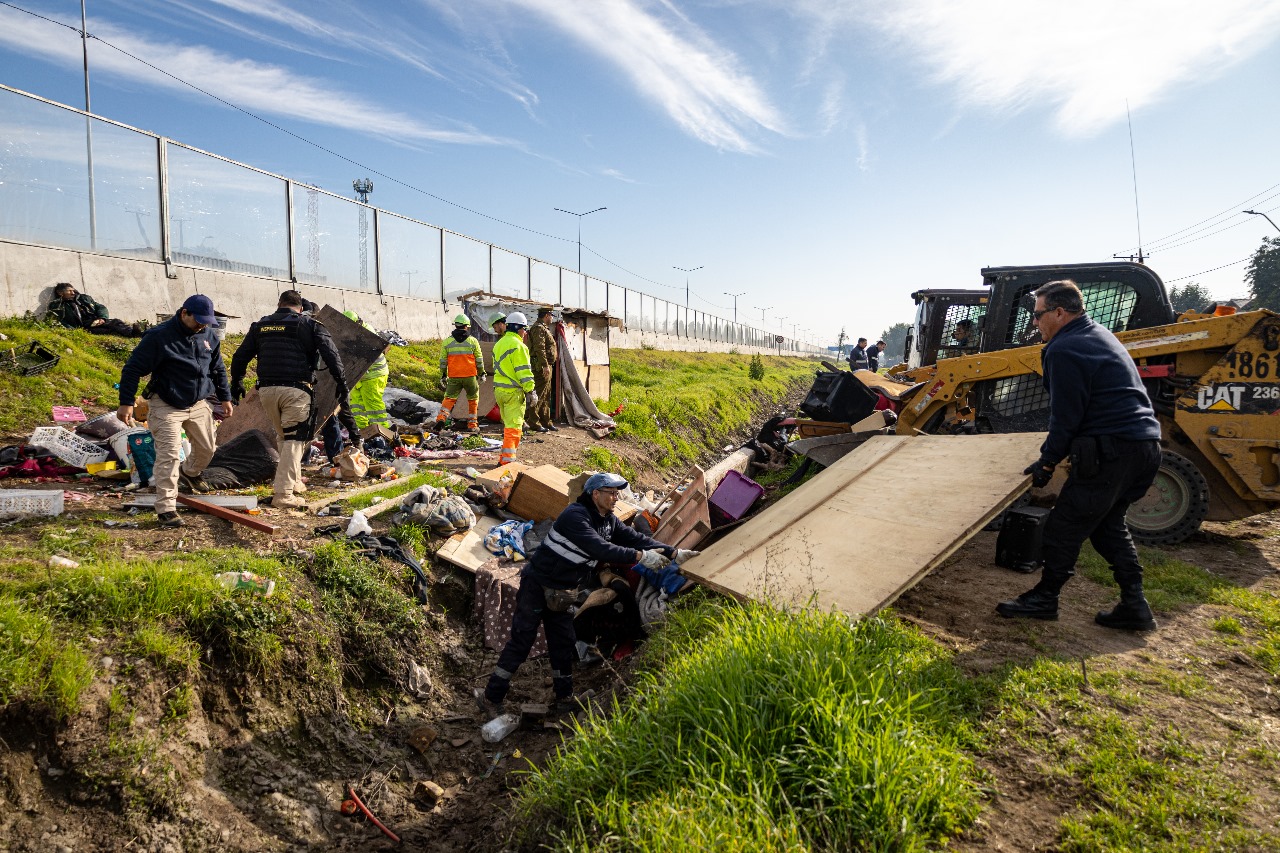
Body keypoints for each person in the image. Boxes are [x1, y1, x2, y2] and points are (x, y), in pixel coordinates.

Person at [995, 280, 1163, 631]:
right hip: (1145, 446)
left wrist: (1046, 461)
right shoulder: (1098, 334)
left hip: (1111, 449)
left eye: (1038, 314)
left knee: (1062, 526)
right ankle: (1135, 604)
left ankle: (1045, 598)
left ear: (1059, 312)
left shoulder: (1064, 348)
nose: (1034, 322)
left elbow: (1066, 416)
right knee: (1107, 526)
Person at [476, 472, 696, 715]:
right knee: (522, 640)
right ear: (595, 494)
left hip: (564, 591)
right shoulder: (575, 515)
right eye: (611, 493)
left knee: (563, 641)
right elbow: (599, 548)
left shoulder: (607, 520)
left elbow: (636, 538)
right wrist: (641, 557)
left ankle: (564, 699)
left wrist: (674, 553)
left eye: (617, 493)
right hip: (537, 586)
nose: (616, 498)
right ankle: (491, 697)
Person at [117, 295, 233, 528]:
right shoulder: (159, 337)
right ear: (184, 313)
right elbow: (132, 369)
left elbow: (217, 368)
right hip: (166, 403)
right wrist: (126, 402)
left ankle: (189, 472)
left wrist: (225, 398)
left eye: (206, 321)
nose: (202, 325)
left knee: (208, 449)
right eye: (198, 320)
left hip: (199, 403)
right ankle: (166, 508)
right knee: (169, 455)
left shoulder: (209, 335)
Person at [230, 290, 353, 508]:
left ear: (280, 304)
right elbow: (332, 356)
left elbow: (240, 356)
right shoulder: (310, 325)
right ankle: (283, 494)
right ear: (300, 308)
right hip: (296, 390)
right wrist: (341, 384)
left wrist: (237, 382)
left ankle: (294, 482)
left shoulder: (261, 326)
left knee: (284, 437)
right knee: (295, 440)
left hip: (266, 392)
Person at [492, 311, 536, 466]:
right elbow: (523, 371)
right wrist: (530, 390)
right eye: (524, 329)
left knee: (508, 426)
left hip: (499, 391)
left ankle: (504, 459)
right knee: (514, 427)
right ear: (518, 328)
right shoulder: (519, 346)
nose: (525, 332)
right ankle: (507, 462)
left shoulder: (499, 344)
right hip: (513, 393)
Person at [434, 314, 486, 432]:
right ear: (466, 326)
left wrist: (443, 374)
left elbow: (443, 361)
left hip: (454, 376)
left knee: (449, 399)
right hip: (470, 377)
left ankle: (441, 419)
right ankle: (472, 425)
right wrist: (482, 373)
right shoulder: (473, 341)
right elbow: (479, 359)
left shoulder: (447, 342)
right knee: (473, 399)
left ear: (455, 326)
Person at [342, 310, 390, 433]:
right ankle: (362, 430)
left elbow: (360, 355)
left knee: (373, 405)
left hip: (373, 374)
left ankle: (381, 431)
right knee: (357, 405)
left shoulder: (367, 333)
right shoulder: (354, 331)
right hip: (360, 375)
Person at [46, 282, 144, 337]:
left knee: (115, 322)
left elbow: (100, 307)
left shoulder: (84, 298)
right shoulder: (57, 305)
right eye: (69, 291)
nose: (73, 293)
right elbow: (61, 321)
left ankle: (134, 333)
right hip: (83, 326)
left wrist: (102, 318)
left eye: (73, 290)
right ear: (60, 293)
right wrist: (73, 331)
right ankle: (132, 333)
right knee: (105, 330)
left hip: (96, 320)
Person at [525, 307, 559, 433]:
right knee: (538, 395)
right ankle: (533, 422)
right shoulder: (538, 328)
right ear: (546, 315)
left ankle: (546, 421)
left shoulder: (543, 328)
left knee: (546, 395)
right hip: (540, 367)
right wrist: (544, 365)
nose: (552, 318)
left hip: (546, 366)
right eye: (551, 315)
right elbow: (540, 348)